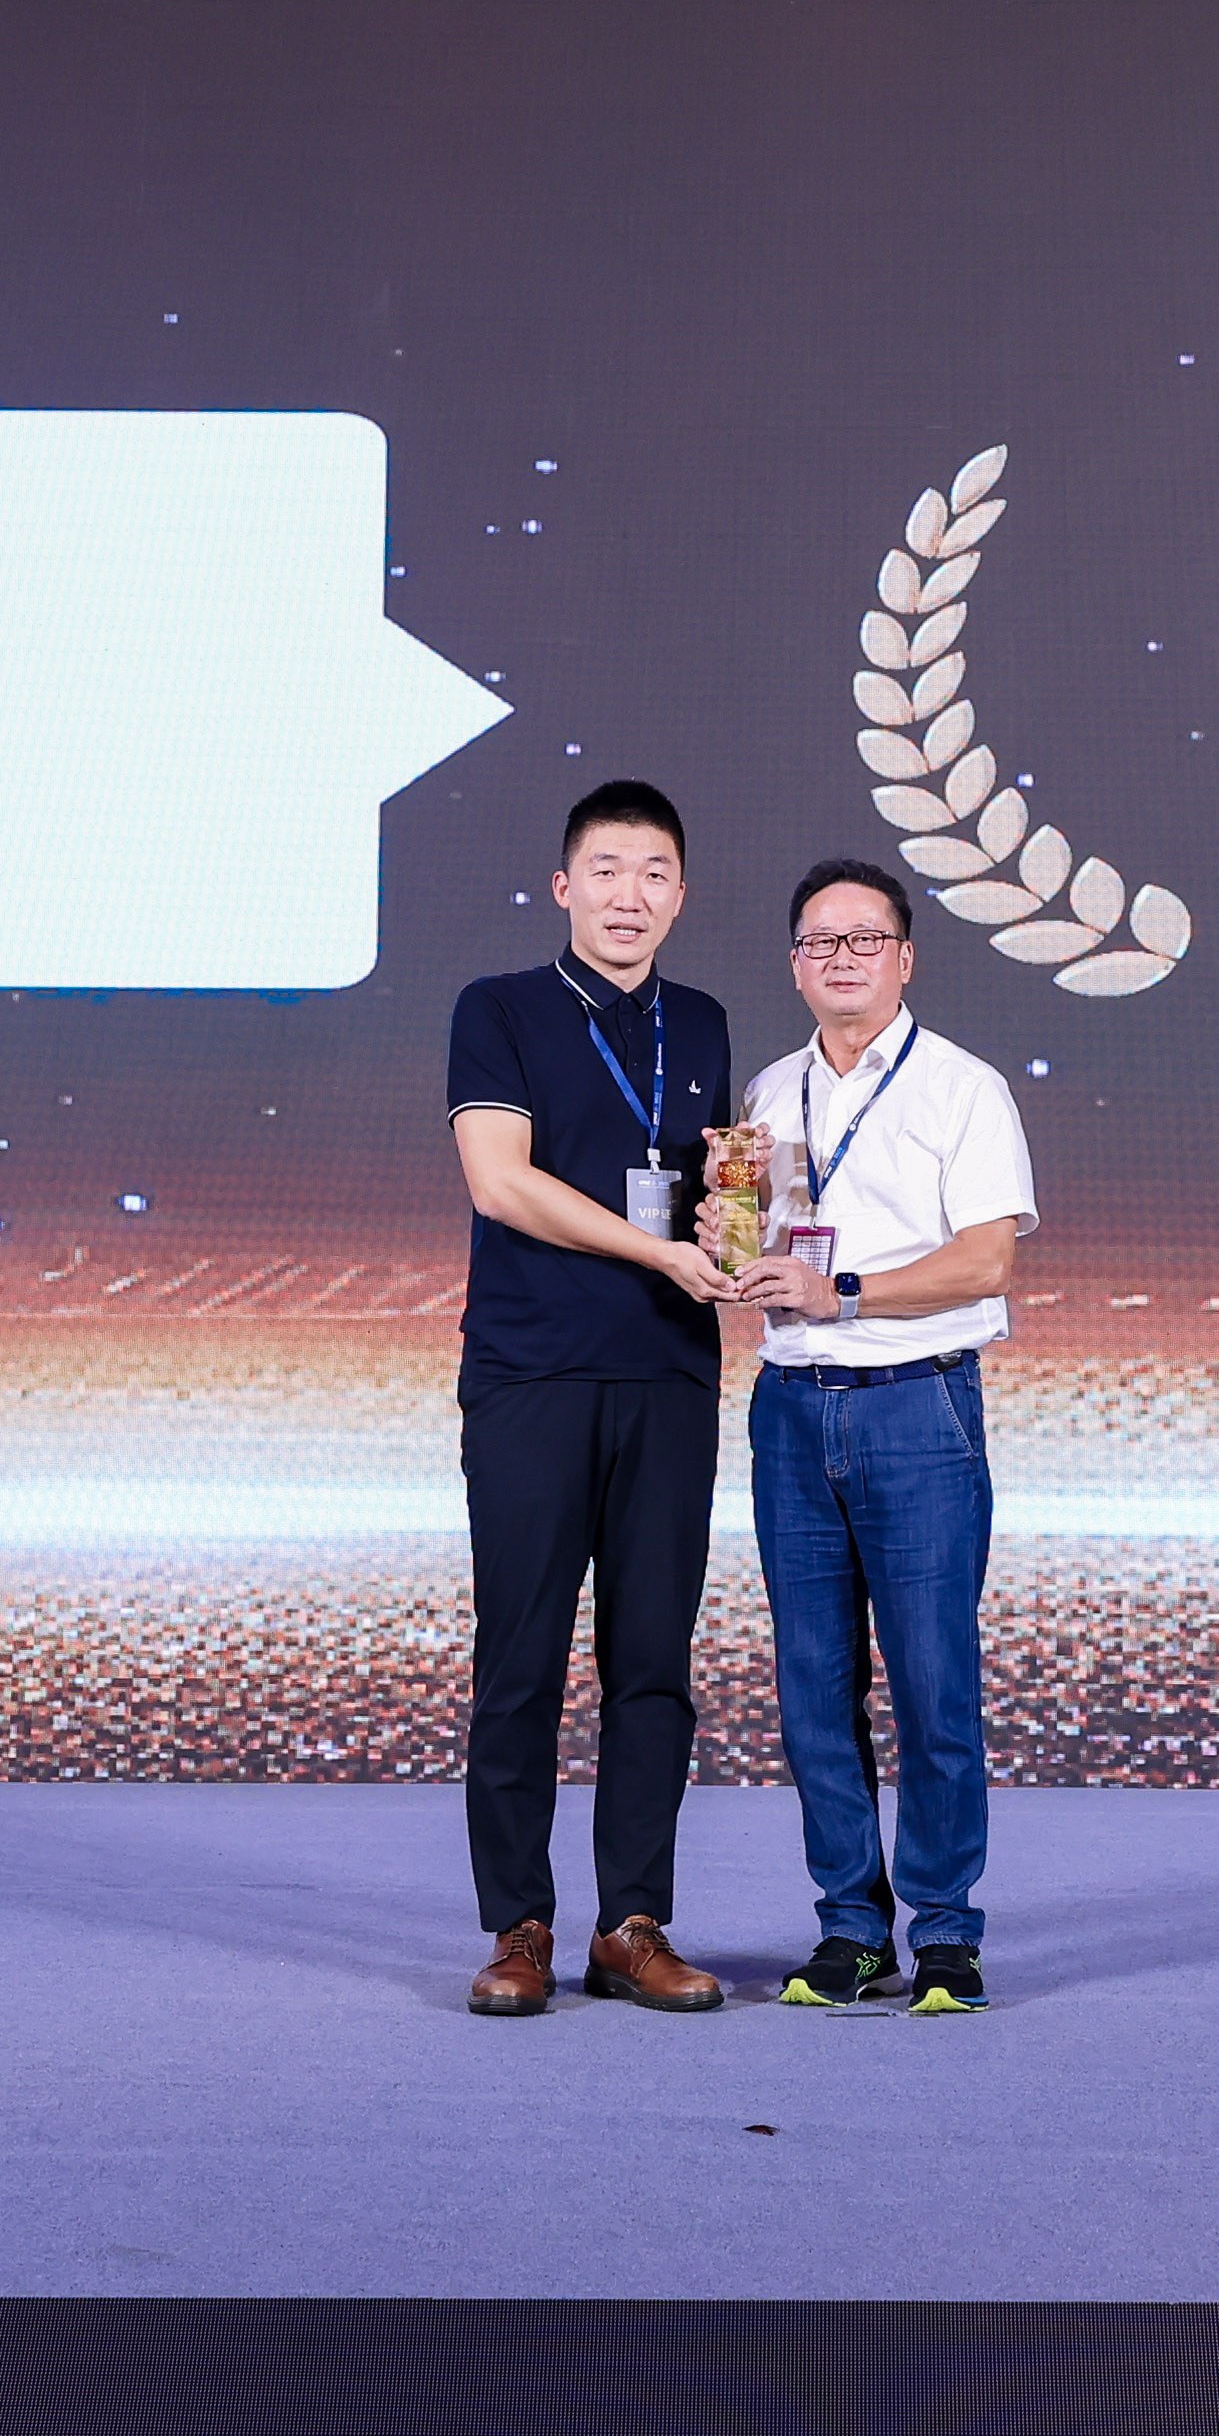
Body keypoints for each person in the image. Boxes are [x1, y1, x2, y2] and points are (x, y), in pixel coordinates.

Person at [440, 780, 744, 2015]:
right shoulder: (500, 1007)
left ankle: (632, 1925)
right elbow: (501, 1183)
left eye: (654, 873)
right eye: (607, 870)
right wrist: (658, 1251)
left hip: (669, 1374)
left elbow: (717, 1191)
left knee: (654, 1662)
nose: (631, 895)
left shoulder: (704, 1023)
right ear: (565, 886)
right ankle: (518, 1925)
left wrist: (734, 1242)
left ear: (681, 894)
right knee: (520, 1659)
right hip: (532, 1372)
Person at [727, 854, 1033, 2013]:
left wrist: (842, 1292)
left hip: (917, 1402)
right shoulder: (768, 1091)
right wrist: (724, 1247)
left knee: (933, 1680)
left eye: (865, 939)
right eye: (821, 941)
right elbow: (760, 1240)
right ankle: (851, 1927)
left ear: (905, 957)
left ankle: (945, 1928)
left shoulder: (963, 1086)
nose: (842, 957)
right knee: (813, 1683)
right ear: (795, 964)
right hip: (792, 1406)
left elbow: (986, 1259)